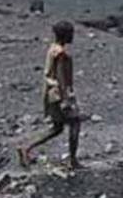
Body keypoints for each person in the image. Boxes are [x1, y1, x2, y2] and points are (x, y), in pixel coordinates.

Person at [17, 21, 80, 169]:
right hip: (58, 94)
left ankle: (26, 147)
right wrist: (66, 100)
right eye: (71, 33)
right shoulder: (61, 54)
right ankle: (73, 160)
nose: (73, 36)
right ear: (66, 35)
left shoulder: (52, 49)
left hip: (50, 94)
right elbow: (61, 78)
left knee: (58, 127)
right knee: (75, 123)